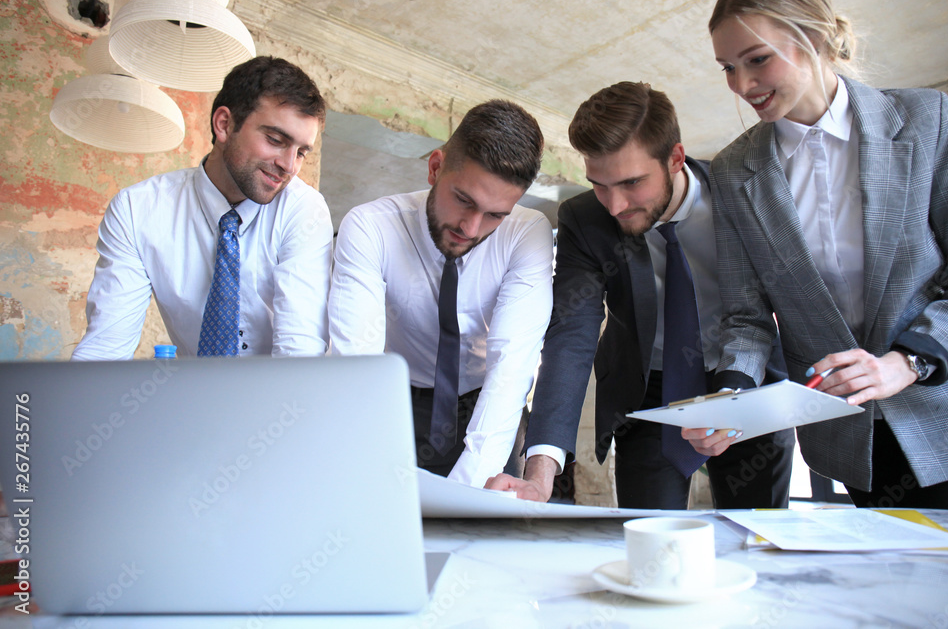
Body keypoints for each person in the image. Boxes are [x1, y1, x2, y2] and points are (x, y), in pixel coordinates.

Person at [702, 0, 948, 512]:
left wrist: (903, 363)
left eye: (758, 59)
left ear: (815, 37)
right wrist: (731, 396)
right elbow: (745, 317)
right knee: (881, 595)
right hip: (848, 436)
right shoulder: (733, 171)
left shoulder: (924, 119)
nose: (742, 86)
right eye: (727, 68)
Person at [486, 82, 794, 509]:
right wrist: (539, 476)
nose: (614, 205)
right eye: (599, 184)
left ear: (675, 158)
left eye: (632, 182)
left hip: (751, 382)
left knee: (759, 530)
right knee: (645, 532)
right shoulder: (583, 220)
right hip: (651, 391)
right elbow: (571, 339)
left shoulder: (740, 192)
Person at [328, 99, 552, 488]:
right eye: (464, 200)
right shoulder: (370, 227)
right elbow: (354, 363)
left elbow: (512, 364)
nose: (471, 226)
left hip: (488, 409)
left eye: (496, 214)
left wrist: (470, 494)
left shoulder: (526, 234)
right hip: (397, 404)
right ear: (435, 167)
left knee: (488, 536)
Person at [72, 57, 333, 361]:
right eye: (276, 140)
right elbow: (105, 348)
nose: (289, 166)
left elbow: (298, 354)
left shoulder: (304, 210)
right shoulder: (137, 210)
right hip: (191, 394)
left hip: (282, 397)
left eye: (301, 152)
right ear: (224, 124)